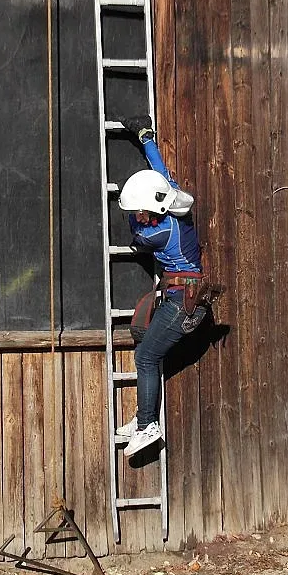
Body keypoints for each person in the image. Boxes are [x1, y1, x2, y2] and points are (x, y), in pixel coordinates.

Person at [115, 115, 207, 457]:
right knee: (146, 352)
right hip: (181, 295)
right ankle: (143, 418)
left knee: (147, 356)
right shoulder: (172, 200)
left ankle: (147, 426)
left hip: (183, 299)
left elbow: (137, 238)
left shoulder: (158, 233)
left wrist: (130, 216)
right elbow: (160, 172)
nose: (138, 214)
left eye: (140, 210)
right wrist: (145, 137)